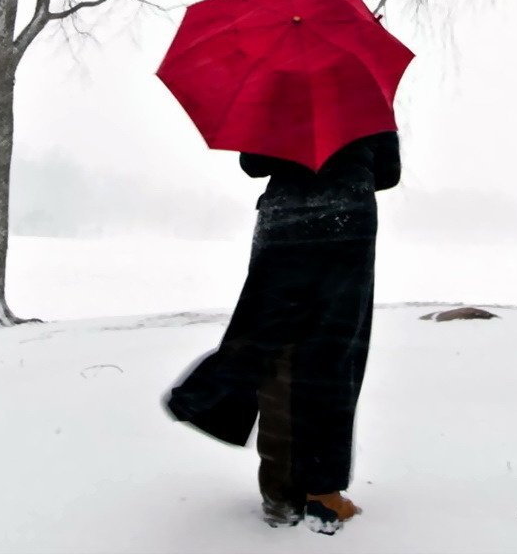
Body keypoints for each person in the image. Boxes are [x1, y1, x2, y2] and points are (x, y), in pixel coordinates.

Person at [164, 130, 400, 534]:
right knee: (332, 353)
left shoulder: (277, 92)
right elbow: (388, 174)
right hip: (348, 225)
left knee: (271, 339)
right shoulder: (368, 95)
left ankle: (279, 489)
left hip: (286, 222)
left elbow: (253, 164)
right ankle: (322, 495)